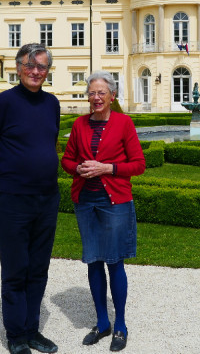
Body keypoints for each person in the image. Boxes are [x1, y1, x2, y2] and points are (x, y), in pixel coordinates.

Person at [0, 43, 61, 354]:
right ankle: (16, 335)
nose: (36, 72)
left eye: (41, 67)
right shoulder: (4, 103)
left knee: (38, 267)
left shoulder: (52, 103)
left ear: (47, 71)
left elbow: (48, 142)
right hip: (14, 199)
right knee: (16, 267)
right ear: (18, 68)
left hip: (47, 197)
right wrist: (3, 182)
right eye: (30, 66)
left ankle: (32, 329)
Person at [60, 71, 145, 352]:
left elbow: (138, 164)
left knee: (114, 261)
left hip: (114, 202)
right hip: (85, 200)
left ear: (112, 96)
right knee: (93, 261)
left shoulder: (123, 123)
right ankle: (101, 322)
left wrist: (107, 168)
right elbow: (68, 159)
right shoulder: (80, 124)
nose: (96, 98)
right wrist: (79, 169)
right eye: (92, 93)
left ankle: (120, 324)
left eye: (101, 93)